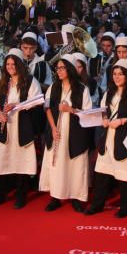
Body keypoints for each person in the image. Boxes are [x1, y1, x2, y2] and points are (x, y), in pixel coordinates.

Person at [85, 59, 127, 218]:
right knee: (102, 173)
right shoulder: (109, 91)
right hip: (108, 137)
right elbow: (104, 110)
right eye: (115, 74)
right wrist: (104, 119)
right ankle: (97, 205)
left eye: (121, 74)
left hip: (126, 138)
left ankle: (126, 207)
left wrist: (123, 121)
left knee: (124, 175)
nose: (117, 77)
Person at [0, 49, 44, 209]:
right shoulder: (2, 81)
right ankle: (1, 195)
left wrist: (17, 105)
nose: (10, 67)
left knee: (21, 162)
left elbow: (38, 100)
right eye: (7, 64)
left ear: (20, 65)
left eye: (13, 64)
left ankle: (21, 196)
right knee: (1, 160)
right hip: (5, 126)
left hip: (22, 127)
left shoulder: (29, 81)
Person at [39, 56, 92, 213]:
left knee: (74, 166)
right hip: (57, 133)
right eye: (58, 68)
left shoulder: (82, 89)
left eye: (62, 68)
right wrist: (53, 128)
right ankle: (55, 197)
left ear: (69, 69)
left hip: (75, 134)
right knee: (56, 165)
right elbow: (47, 108)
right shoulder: (53, 87)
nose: (59, 71)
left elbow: (88, 114)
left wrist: (70, 110)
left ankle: (75, 197)